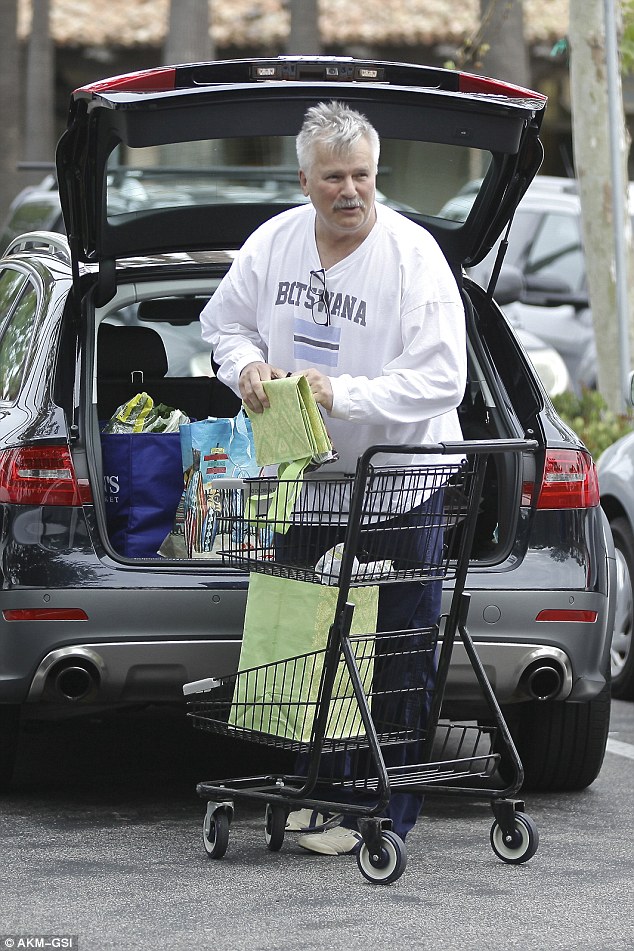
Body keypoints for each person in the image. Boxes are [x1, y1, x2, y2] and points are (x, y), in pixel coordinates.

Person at [200, 100, 467, 855]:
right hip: (307, 480)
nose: (350, 191)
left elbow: (442, 379)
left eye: (363, 176)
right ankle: (317, 791)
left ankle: (383, 810)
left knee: (398, 651)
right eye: (333, 178)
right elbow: (223, 324)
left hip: (402, 485)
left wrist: (340, 394)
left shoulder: (413, 258)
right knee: (306, 642)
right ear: (304, 180)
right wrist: (246, 366)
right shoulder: (274, 243)